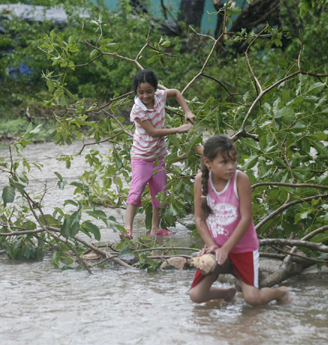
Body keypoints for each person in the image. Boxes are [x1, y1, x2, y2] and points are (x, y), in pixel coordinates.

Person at [190, 135, 290, 305]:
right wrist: (211, 245)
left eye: (234, 161)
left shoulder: (240, 179)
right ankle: (227, 293)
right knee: (196, 296)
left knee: (253, 299)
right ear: (208, 163)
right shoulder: (201, 180)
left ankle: (280, 293)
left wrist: (226, 248)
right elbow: (199, 218)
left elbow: (246, 218)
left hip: (242, 249)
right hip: (217, 249)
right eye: (224, 162)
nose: (231, 167)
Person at [122, 69, 195, 240]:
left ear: (155, 89)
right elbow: (154, 132)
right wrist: (178, 129)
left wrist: (187, 111)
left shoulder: (161, 96)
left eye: (149, 92)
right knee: (136, 191)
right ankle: (127, 229)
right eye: (141, 92)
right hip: (141, 158)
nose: (145, 96)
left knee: (161, 193)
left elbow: (176, 93)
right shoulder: (137, 110)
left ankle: (155, 228)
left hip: (158, 157)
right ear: (136, 92)